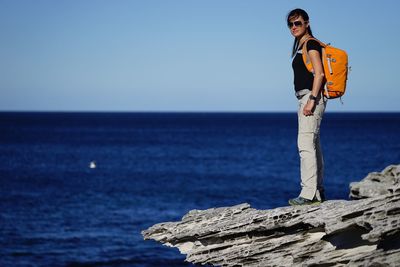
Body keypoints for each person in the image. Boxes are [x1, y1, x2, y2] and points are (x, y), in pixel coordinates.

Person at [287, 8, 327, 206]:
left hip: (311, 98)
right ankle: (318, 192)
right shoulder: (302, 45)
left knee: (305, 146)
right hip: (306, 98)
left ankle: (308, 194)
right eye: (291, 24)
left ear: (307, 23)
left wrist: (312, 99)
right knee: (313, 145)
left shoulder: (311, 44)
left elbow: (319, 74)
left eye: (298, 23)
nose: (294, 27)